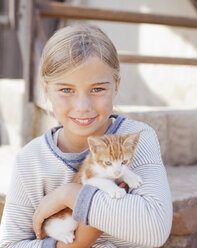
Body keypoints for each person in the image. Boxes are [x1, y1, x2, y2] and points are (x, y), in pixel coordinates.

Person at [0, 24, 172, 248]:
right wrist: (72, 244)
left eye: (98, 89)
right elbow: (10, 244)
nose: (83, 106)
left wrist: (71, 194)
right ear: (46, 89)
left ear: (116, 85)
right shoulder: (31, 161)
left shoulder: (135, 139)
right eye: (66, 90)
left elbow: (155, 229)